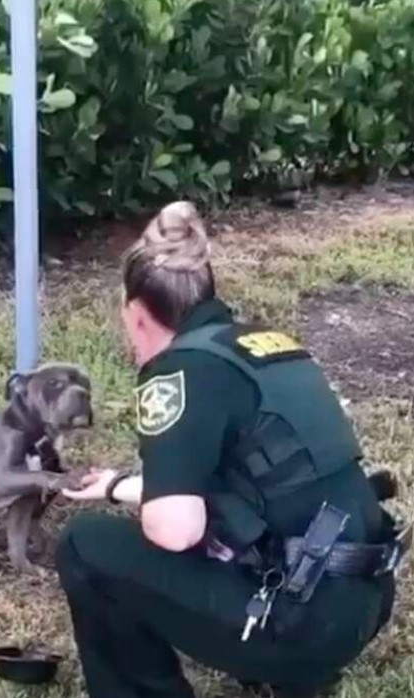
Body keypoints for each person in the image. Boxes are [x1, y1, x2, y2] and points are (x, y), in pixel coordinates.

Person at [54, 201, 410, 698]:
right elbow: (259, 485)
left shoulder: (177, 371)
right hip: (360, 601)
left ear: (136, 315)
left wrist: (150, 502)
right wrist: (117, 486)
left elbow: (175, 529)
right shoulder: (268, 346)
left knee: (84, 544)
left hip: (297, 624)